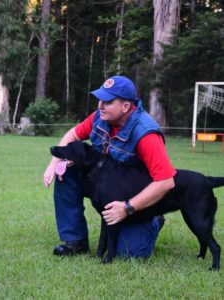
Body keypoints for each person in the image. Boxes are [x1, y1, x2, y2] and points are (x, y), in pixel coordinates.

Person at [43, 75, 176, 259]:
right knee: (65, 172)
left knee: (129, 253)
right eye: (100, 99)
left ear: (126, 106)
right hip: (104, 186)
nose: (101, 105)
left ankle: (154, 220)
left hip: (135, 199)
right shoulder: (100, 117)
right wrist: (54, 164)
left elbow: (166, 182)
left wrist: (128, 208)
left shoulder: (145, 133)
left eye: (108, 101)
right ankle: (76, 242)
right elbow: (72, 134)